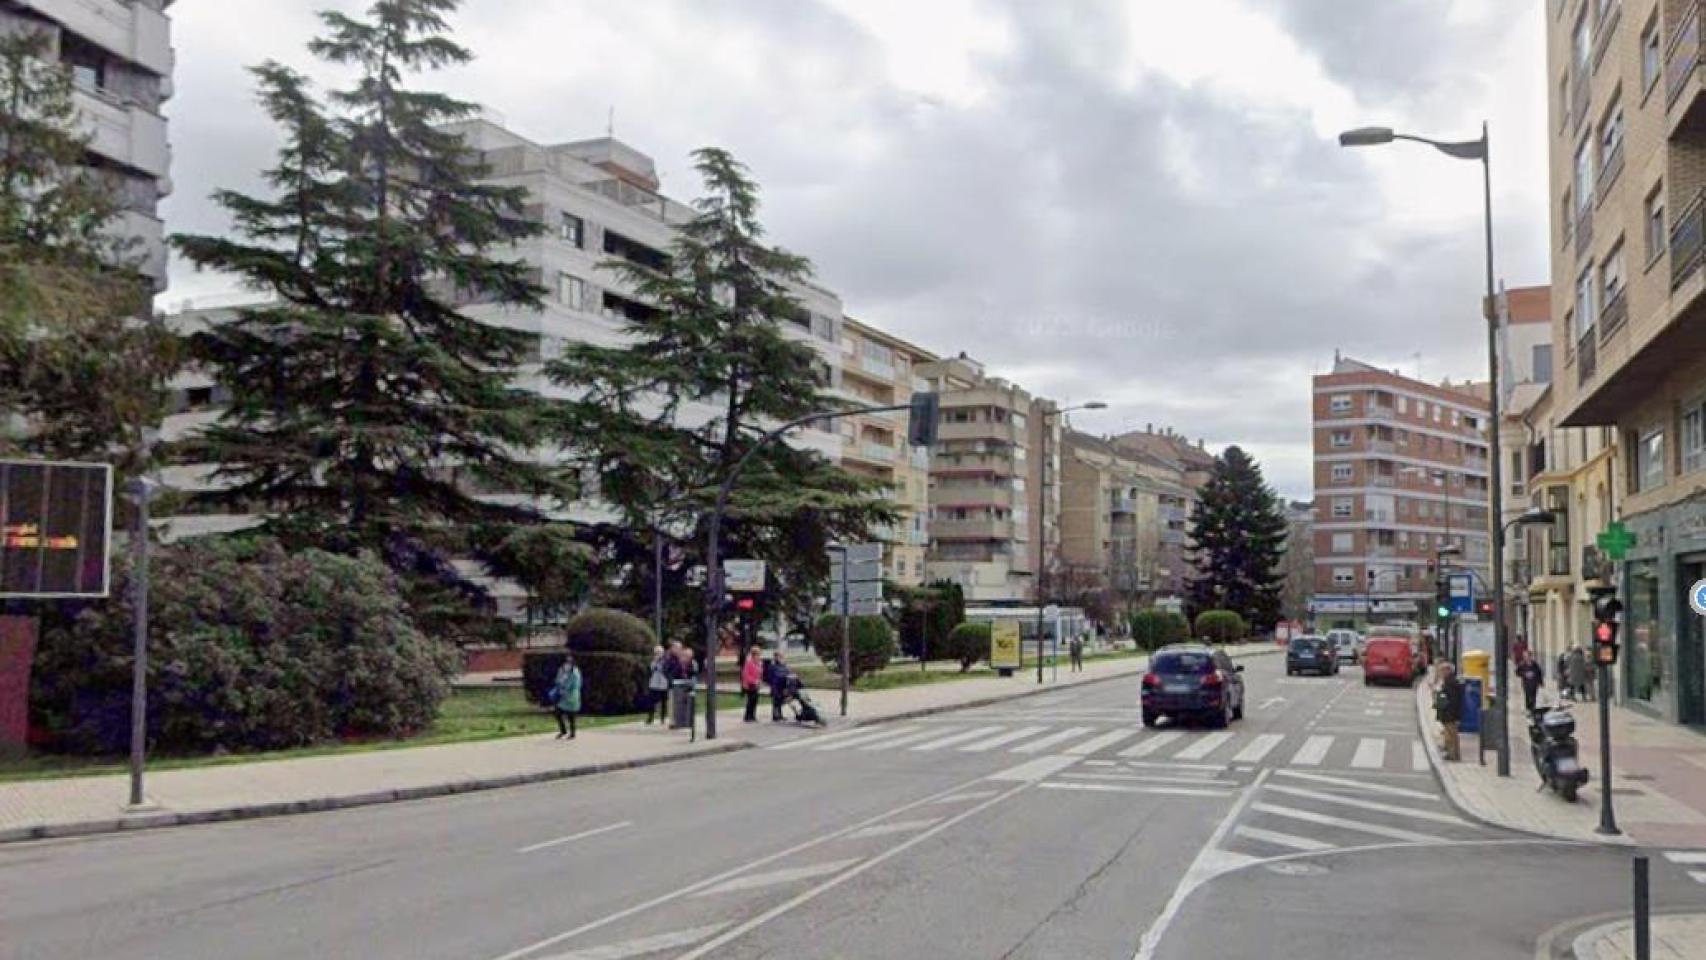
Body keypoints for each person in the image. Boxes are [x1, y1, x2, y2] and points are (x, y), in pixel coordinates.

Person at [1435, 661, 1463, 762]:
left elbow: (1452, 699)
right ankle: (1451, 754)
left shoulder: (1450, 682)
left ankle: (1454, 755)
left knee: (1452, 734)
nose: (1441, 673)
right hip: (1449, 712)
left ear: (1448, 671)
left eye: (1442, 671)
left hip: (1450, 713)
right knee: (1449, 734)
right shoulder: (1449, 681)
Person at [552, 653, 582, 740]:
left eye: (569, 663)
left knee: (571, 716)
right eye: (566, 663)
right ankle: (563, 730)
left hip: (572, 698)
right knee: (558, 713)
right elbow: (557, 680)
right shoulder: (562, 671)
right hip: (563, 698)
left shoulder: (575, 674)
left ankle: (572, 733)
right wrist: (560, 678)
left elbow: (574, 685)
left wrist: (564, 687)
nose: (567, 665)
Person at [646, 645, 670, 725]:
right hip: (654, 683)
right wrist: (655, 661)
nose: (658, 654)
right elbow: (651, 669)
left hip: (663, 683)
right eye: (656, 652)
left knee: (664, 701)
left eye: (659, 652)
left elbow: (666, 669)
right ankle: (650, 717)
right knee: (651, 701)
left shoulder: (666, 660)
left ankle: (663, 718)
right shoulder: (653, 660)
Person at [1516, 650, 1544, 715]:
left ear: (1530, 656)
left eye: (1527, 656)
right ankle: (1528, 709)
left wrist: (1541, 682)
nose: (1526, 658)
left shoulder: (1535, 664)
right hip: (1526, 684)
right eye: (1525, 656)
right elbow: (1517, 672)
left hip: (1534, 684)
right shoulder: (1522, 664)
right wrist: (1525, 674)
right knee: (1528, 697)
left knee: (1533, 697)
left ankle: (1532, 709)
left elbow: (1539, 673)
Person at [741, 644, 763, 722]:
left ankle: (753, 715)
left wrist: (759, 681)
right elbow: (746, 674)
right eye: (758, 654)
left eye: (759, 654)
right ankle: (747, 716)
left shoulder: (759, 663)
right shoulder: (749, 662)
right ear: (754, 654)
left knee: (755, 700)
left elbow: (759, 673)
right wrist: (753, 681)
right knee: (750, 700)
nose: (759, 656)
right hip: (750, 684)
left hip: (756, 684)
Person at [768, 649, 790, 721]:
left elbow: (788, 673)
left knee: (780, 700)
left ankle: (780, 715)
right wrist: (772, 684)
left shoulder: (784, 665)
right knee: (776, 701)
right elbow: (770, 677)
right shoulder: (773, 666)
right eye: (778, 656)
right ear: (775, 657)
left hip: (783, 685)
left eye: (781, 656)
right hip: (775, 685)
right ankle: (775, 716)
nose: (779, 658)